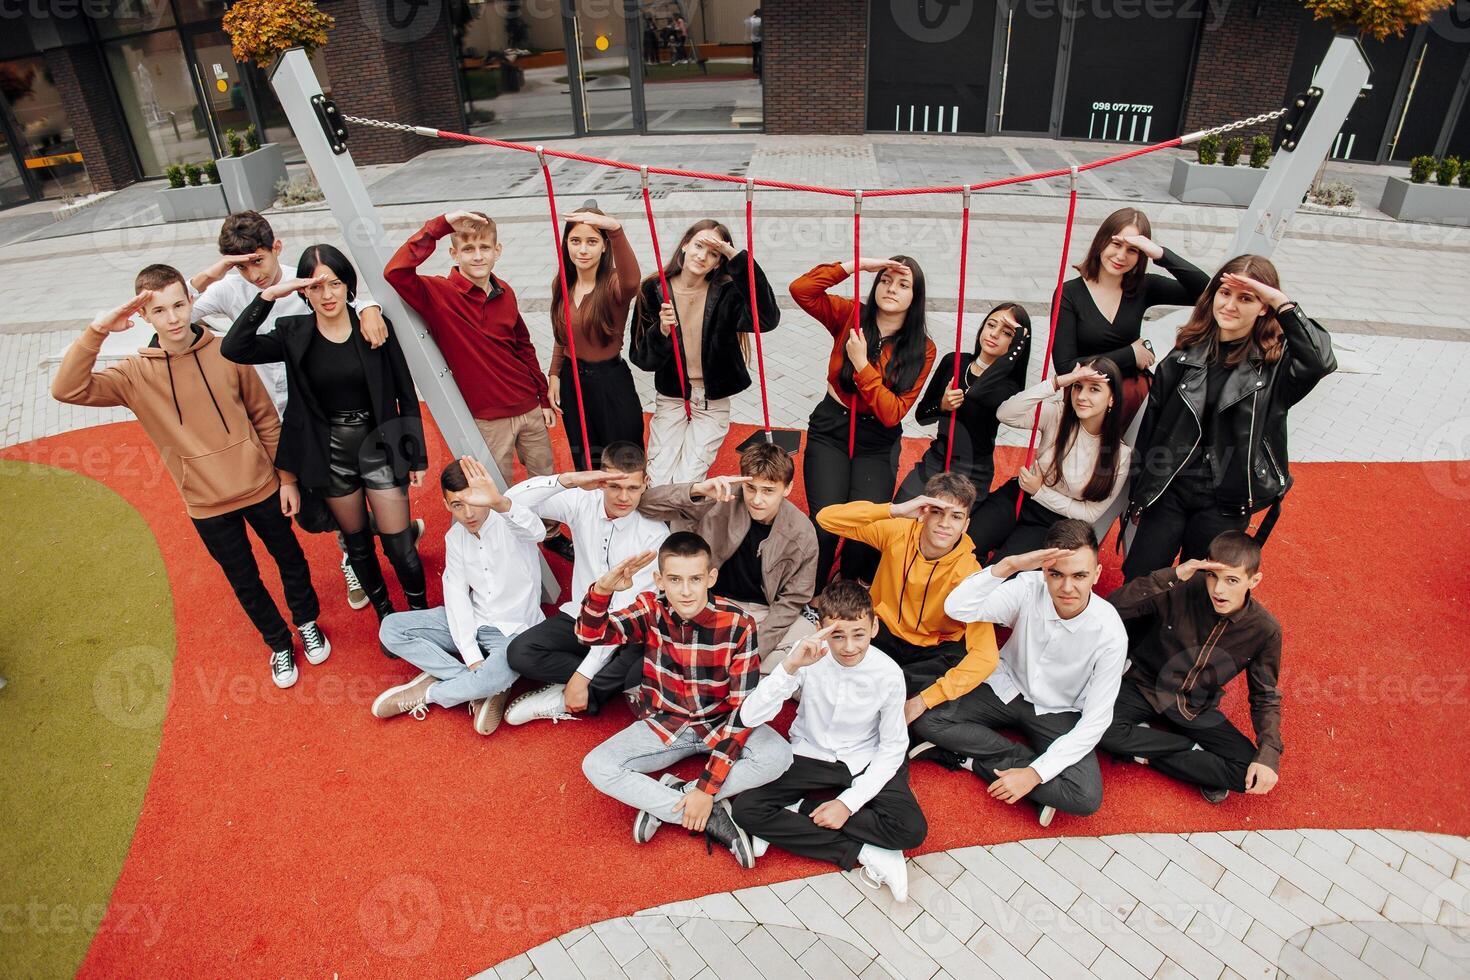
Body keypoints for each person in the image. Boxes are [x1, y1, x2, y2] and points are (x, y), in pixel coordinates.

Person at [52, 266, 325, 688]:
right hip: (206, 503)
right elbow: (67, 390)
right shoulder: (133, 375)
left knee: (289, 558)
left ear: (191, 301)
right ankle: (278, 644)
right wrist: (98, 330)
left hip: (260, 485)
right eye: (160, 310)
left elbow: (265, 419)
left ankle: (307, 623)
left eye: (180, 304)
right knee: (243, 579)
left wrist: (287, 478)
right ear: (145, 317)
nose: (174, 317)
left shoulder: (227, 352)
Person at [191, 209, 392, 609]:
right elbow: (181, 313)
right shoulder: (229, 288)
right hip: (273, 418)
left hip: (320, 411)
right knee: (310, 512)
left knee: (342, 489)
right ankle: (381, 532)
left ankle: (356, 553)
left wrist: (371, 307)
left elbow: (343, 293)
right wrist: (214, 273)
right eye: (241, 266)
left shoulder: (302, 279)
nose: (253, 274)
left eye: (258, 261)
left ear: (275, 248)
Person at [222, 244, 428, 620]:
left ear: (347, 285)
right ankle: (386, 615)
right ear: (302, 290)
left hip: (379, 446)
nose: (327, 294)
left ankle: (421, 612)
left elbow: (404, 391)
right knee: (358, 546)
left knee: (399, 544)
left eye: (334, 284)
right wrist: (269, 295)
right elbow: (235, 347)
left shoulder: (375, 325)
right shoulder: (292, 332)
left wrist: (413, 453)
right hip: (331, 454)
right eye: (316, 286)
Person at [578, 534, 794, 867]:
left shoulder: (739, 625)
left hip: (722, 723)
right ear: (659, 580)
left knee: (779, 756)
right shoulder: (650, 608)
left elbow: (742, 712)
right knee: (596, 765)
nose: (686, 590)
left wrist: (705, 789)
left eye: (695, 579)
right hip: (667, 725)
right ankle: (704, 816)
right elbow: (589, 634)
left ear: (711, 577)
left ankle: (677, 796)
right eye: (675, 580)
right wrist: (604, 589)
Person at [1123, 256, 1336, 580]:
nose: (1230, 305)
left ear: (1264, 306)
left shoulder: (1276, 367)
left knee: (1202, 587)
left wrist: (1282, 303)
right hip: (1171, 486)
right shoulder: (1185, 352)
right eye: (1225, 294)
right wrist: (1141, 491)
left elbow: (1320, 360)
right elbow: (1154, 426)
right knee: (1142, 578)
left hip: (1227, 496)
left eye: (1246, 298)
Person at [909, 519, 1127, 827]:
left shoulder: (1111, 633)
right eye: (1056, 574)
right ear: (1044, 571)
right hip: (1004, 687)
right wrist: (1007, 565)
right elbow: (958, 608)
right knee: (928, 718)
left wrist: (1033, 775)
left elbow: (1096, 720)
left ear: (1096, 574)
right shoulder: (1028, 586)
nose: (1067, 587)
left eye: (1079, 575)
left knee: (1084, 796)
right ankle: (1021, 762)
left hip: (1057, 711)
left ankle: (970, 759)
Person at [733, 580, 926, 902]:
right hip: (810, 753)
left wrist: (846, 805)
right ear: (821, 629)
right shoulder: (807, 658)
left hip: (863, 757)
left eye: (858, 634)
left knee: (911, 830)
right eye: (837, 635)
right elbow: (750, 716)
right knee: (746, 810)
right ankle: (862, 850)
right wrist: (791, 665)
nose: (849, 646)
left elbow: (893, 746)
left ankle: (797, 808)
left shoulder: (889, 673)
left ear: (874, 627)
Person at [1101, 531, 1282, 804]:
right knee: (1099, 729)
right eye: (1212, 576)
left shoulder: (1265, 629)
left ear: (1253, 580)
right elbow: (1113, 607)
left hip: (1195, 706)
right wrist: (1173, 575)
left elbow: (1265, 695)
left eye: (1231, 580)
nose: (1218, 590)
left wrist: (1269, 752)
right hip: (1143, 686)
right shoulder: (1181, 586)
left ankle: (1144, 748)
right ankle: (1195, 758)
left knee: (1249, 772)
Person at [372, 457, 546, 735]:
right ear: (446, 505)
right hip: (476, 620)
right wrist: (472, 656)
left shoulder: (510, 521)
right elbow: (455, 597)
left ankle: (430, 691)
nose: (468, 514)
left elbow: (537, 532)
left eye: (473, 501)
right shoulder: (455, 537)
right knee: (390, 629)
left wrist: (498, 501)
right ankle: (477, 685)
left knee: (497, 674)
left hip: (516, 631)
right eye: (457, 505)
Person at [384, 208, 556, 487]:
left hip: (528, 405)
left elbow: (524, 346)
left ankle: (548, 531)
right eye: (468, 248)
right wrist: (440, 226)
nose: (477, 255)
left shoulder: (506, 291)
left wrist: (542, 398)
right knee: (496, 487)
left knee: (545, 480)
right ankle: (503, 532)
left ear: (497, 251)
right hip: (488, 418)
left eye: (484, 247)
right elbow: (396, 272)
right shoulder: (438, 293)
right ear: (454, 254)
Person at [791, 255, 937, 584]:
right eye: (885, 280)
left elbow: (893, 412)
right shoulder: (851, 315)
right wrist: (858, 265)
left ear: (916, 297)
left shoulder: (923, 348)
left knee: (866, 529)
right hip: (831, 428)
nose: (891, 288)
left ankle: (851, 586)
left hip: (877, 441)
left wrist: (862, 366)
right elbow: (801, 290)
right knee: (826, 523)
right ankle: (811, 591)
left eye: (903, 284)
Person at [503, 441, 669, 723]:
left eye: (632, 488)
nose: (624, 497)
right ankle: (600, 685)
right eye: (615, 486)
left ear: (645, 484)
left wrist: (582, 675)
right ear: (601, 481)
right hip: (580, 616)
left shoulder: (655, 533)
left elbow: (625, 613)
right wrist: (567, 480)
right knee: (519, 654)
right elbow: (513, 500)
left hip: (625, 629)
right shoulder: (583, 500)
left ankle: (567, 696)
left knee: (642, 661)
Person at [815, 473, 999, 707]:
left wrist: (926, 700)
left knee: (937, 692)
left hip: (932, 651)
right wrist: (895, 510)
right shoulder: (898, 531)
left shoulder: (970, 573)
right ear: (923, 512)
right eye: (937, 512)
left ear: (966, 525)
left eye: (956, 516)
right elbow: (826, 519)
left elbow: (986, 657)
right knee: (835, 666)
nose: (944, 523)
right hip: (882, 633)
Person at [637, 441, 818, 671]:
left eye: (768, 491)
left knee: (809, 638)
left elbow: (792, 600)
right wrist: (698, 490)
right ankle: (738, 671)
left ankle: (713, 664)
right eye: (751, 488)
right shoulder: (721, 497)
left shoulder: (802, 532)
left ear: (788, 488)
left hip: (762, 615)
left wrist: (754, 651)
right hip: (709, 604)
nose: (757, 499)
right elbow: (645, 504)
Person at [630, 219, 780, 485]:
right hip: (672, 396)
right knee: (658, 478)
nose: (702, 256)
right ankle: (660, 527)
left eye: (713, 253)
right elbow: (641, 358)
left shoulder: (727, 292)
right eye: (699, 246)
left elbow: (767, 319)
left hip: (712, 401)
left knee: (688, 480)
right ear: (685, 245)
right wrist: (661, 332)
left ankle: (681, 527)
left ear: (719, 262)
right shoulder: (653, 289)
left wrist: (736, 257)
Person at [968, 357, 1129, 564]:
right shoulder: (1058, 414)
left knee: (1000, 572)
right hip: (1018, 496)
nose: (1081, 396)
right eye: (1078, 386)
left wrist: (1040, 492)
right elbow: (1006, 413)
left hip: (1052, 522)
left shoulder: (1120, 455)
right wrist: (1058, 382)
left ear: (1112, 399)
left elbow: (1089, 513)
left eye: (1094, 389)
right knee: (965, 545)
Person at [1053, 207, 1209, 419]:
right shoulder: (1069, 293)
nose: (1121, 256)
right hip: (1085, 404)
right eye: (1116, 244)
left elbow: (1206, 291)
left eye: (1132, 250)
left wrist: (1160, 254)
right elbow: (1066, 368)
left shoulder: (1145, 287)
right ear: (1101, 241)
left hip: (1131, 403)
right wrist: (1130, 354)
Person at [895, 302, 1031, 510]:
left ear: (1016, 345)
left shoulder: (1008, 386)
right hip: (937, 458)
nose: (994, 334)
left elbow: (977, 393)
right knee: (898, 513)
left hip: (972, 471)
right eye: (991, 325)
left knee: (944, 527)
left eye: (1007, 333)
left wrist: (1020, 340)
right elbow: (922, 416)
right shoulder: (954, 362)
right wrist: (942, 405)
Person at [545, 206, 645, 473]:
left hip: (610, 382)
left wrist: (616, 230)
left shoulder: (614, 284)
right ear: (566, 243)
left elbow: (633, 282)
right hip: (572, 381)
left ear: (604, 247)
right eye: (575, 241)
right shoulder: (562, 283)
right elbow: (563, 335)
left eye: (592, 241)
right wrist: (554, 373)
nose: (583, 250)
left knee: (623, 458)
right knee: (586, 459)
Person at [746, 8, 762, 76]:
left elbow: (750, 15)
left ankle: (755, 68)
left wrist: (753, 14)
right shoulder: (761, 20)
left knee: (755, 54)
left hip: (753, 40)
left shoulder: (752, 20)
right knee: (760, 54)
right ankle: (760, 68)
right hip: (760, 40)